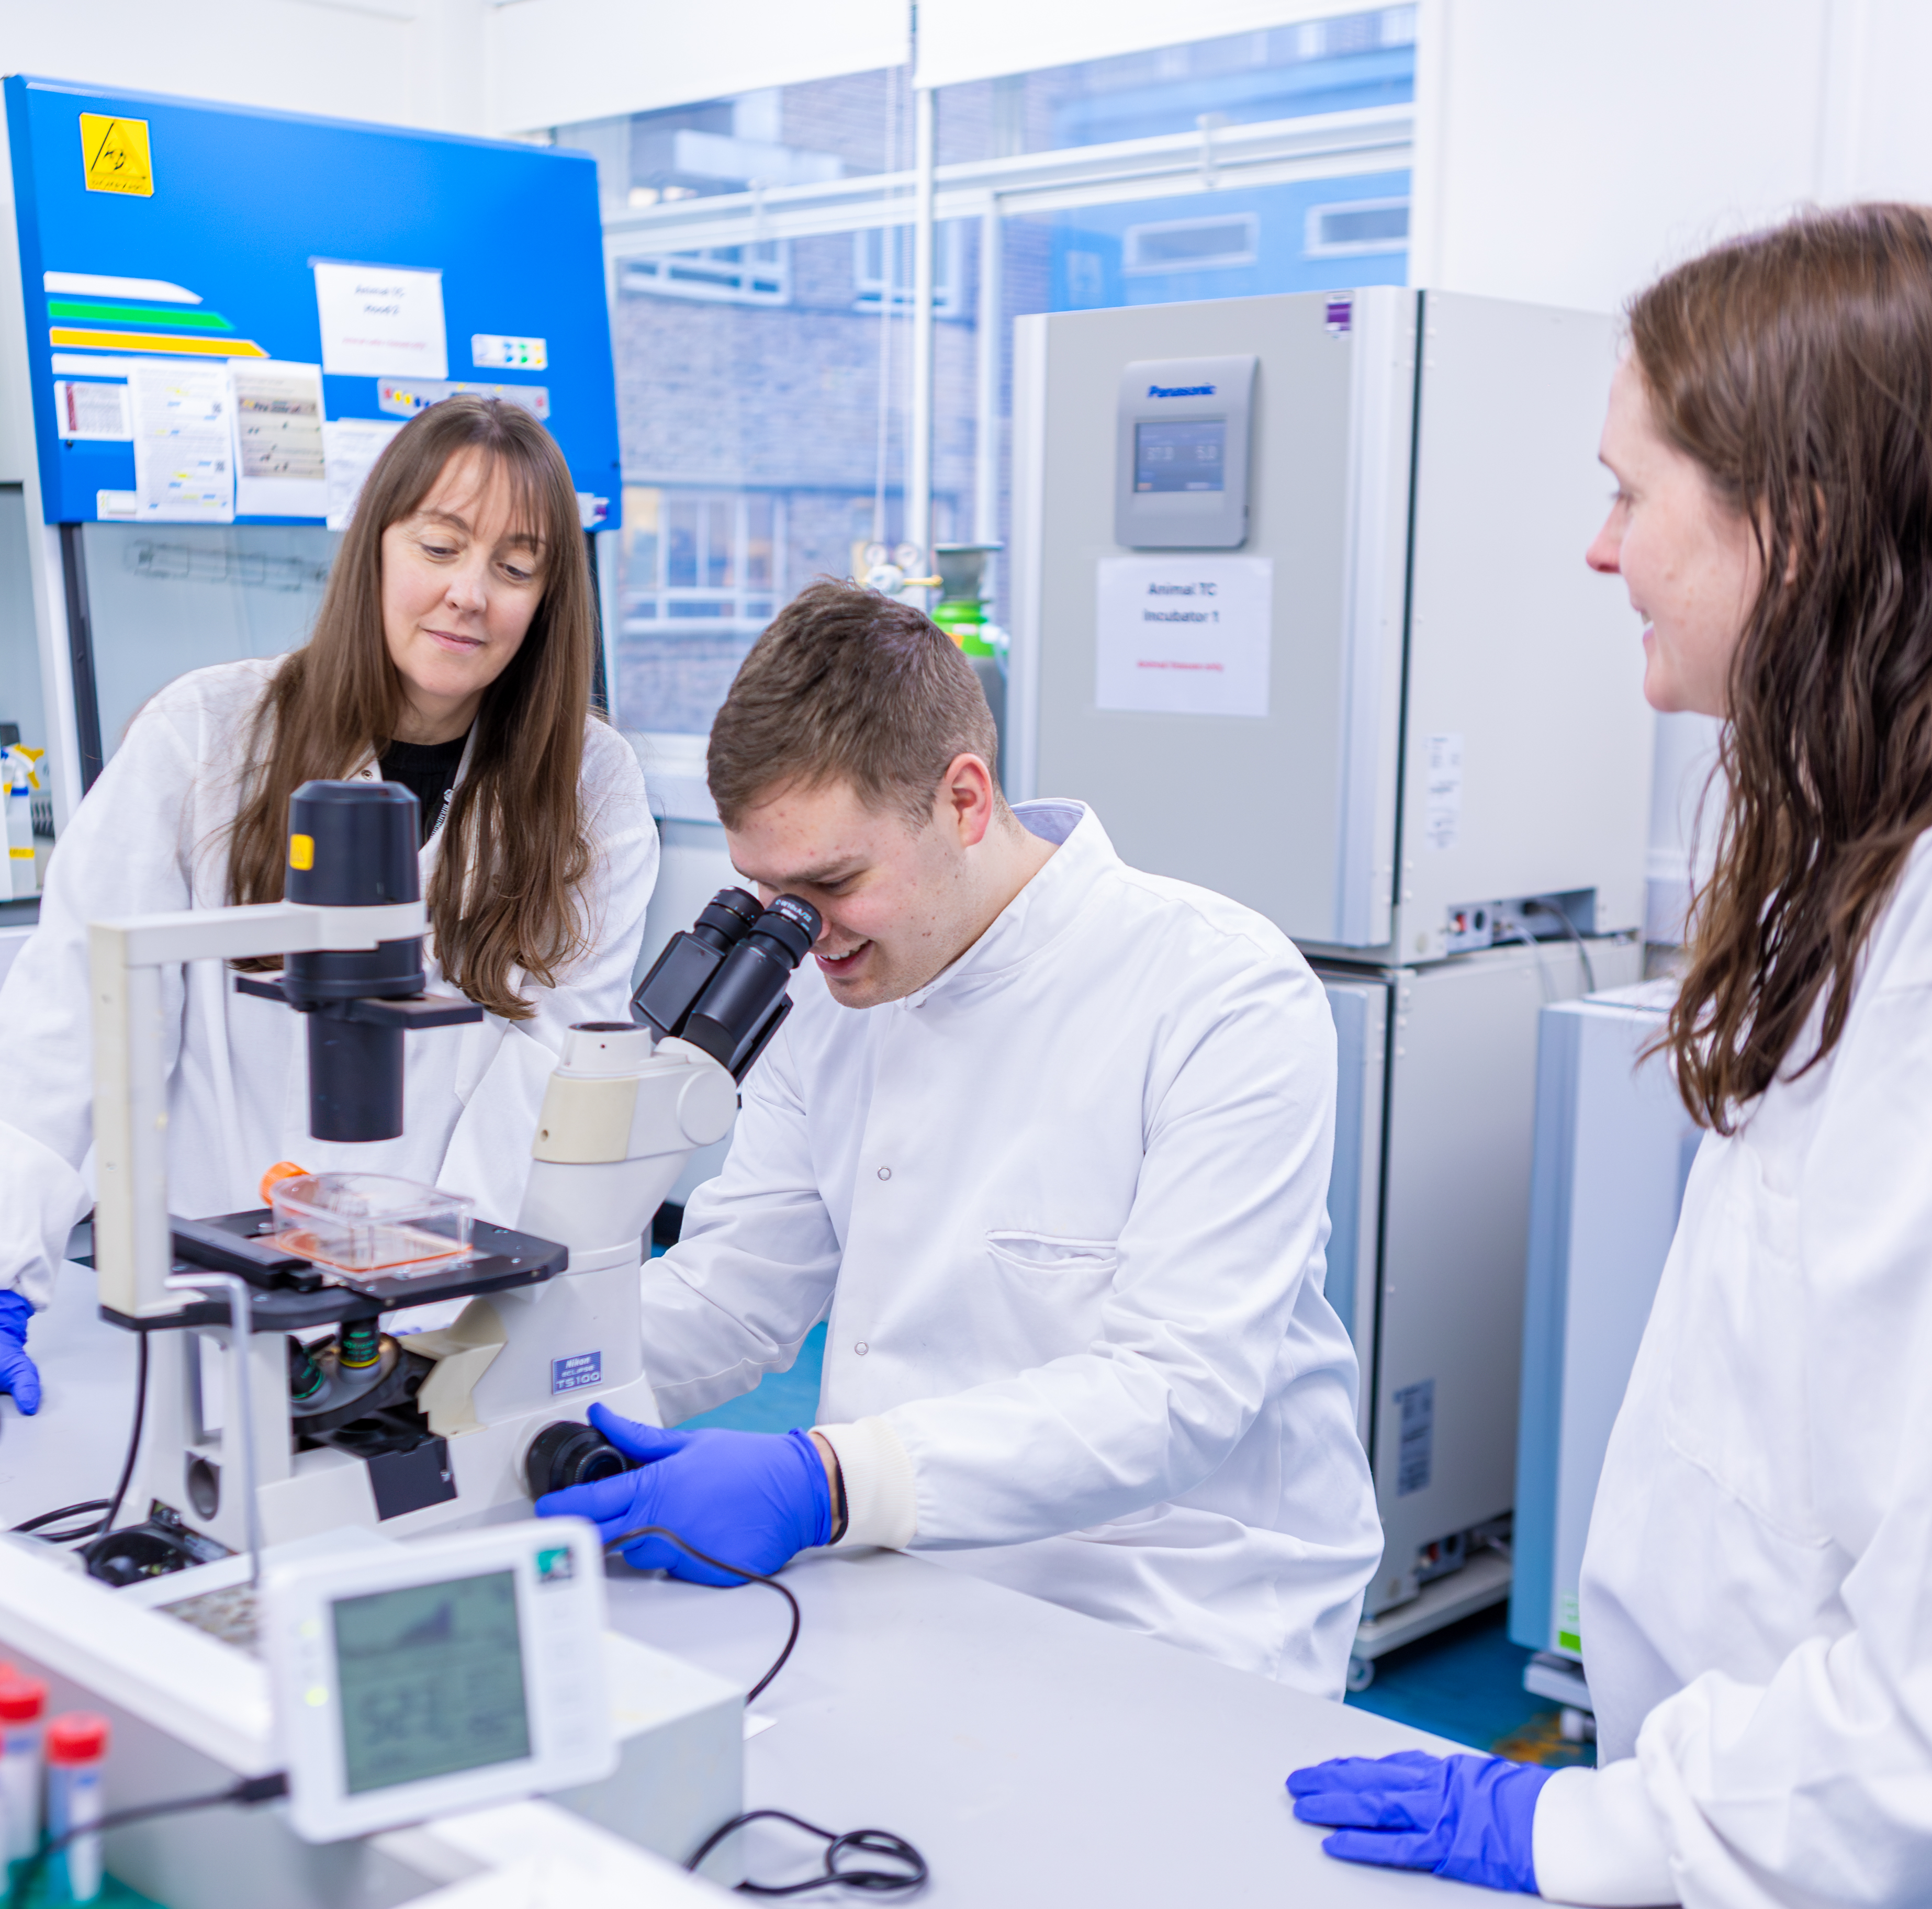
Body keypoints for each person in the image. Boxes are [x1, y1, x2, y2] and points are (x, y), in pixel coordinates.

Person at [1287, 204, 1932, 1903]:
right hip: (1769, 1805)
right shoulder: (1904, 835)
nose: (1599, 547)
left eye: (1634, 492)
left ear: (1796, 521)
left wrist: (1626, 1831)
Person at [535, 579, 1381, 1693]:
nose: (803, 934)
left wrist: (822, 1479)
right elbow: (736, 1288)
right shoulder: (841, 995)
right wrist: (522, 1388)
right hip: (894, 1561)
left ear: (966, 800)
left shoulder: (1220, 991)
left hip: (1175, 1616)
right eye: (767, 894)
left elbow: (1176, 1393)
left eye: (831, 884)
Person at [0, 397, 655, 1425]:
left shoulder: (589, 786)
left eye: (516, 567)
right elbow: (82, 1012)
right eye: (440, 545)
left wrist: (423, 1300)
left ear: (551, 597)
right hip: (214, 1311)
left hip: (447, 1331)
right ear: (373, 547)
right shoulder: (208, 736)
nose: (470, 594)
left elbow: (546, 1073)